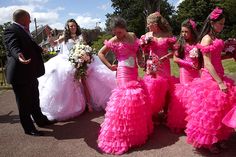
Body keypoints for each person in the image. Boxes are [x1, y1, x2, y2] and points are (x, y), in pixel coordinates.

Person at [38, 19, 116, 121]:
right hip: (68, 61)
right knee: (70, 80)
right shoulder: (64, 37)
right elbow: (54, 44)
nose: (73, 27)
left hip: (81, 59)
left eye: (74, 25)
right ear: (68, 27)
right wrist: (49, 37)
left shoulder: (81, 36)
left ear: (76, 26)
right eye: (71, 26)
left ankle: (89, 103)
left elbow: (85, 47)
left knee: (87, 79)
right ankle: (74, 106)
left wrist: (86, 55)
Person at [97, 16, 153, 155]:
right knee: (125, 100)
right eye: (115, 33)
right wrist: (110, 66)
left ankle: (134, 131)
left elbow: (139, 51)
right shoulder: (114, 40)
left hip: (133, 71)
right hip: (122, 72)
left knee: (135, 101)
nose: (118, 35)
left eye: (120, 32)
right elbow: (100, 53)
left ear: (124, 28)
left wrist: (140, 60)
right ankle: (123, 135)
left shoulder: (133, 36)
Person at [184, 7, 236, 153]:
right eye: (220, 23)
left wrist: (230, 50)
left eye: (223, 23)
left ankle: (219, 137)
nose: (222, 26)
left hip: (220, 76)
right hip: (211, 79)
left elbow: (218, 57)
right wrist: (219, 82)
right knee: (210, 113)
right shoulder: (207, 38)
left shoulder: (215, 38)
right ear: (212, 23)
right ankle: (210, 142)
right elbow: (207, 63)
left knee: (220, 110)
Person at [3, 9, 54, 136]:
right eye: (29, 18)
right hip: (19, 74)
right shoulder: (11, 30)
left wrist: (41, 49)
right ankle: (29, 128)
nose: (30, 21)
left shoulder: (24, 30)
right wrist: (19, 56)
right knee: (24, 103)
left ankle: (40, 120)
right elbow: (13, 47)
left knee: (34, 98)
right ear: (23, 19)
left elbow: (30, 44)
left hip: (30, 72)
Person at [140, 12, 176, 123]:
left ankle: (165, 112)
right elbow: (144, 52)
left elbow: (174, 51)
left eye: (149, 24)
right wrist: (145, 48)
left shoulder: (167, 35)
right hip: (152, 64)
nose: (147, 26)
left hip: (164, 65)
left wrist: (166, 56)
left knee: (165, 88)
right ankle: (153, 112)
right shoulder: (147, 36)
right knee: (152, 88)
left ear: (155, 24)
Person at [167, 19, 200, 133]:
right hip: (185, 72)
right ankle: (184, 123)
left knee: (196, 95)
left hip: (196, 72)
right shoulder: (180, 43)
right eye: (182, 32)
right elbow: (175, 59)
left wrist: (198, 63)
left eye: (186, 32)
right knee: (185, 95)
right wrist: (189, 63)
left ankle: (194, 121)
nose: (184, 34)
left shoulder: (198, 43)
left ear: (192, 31)